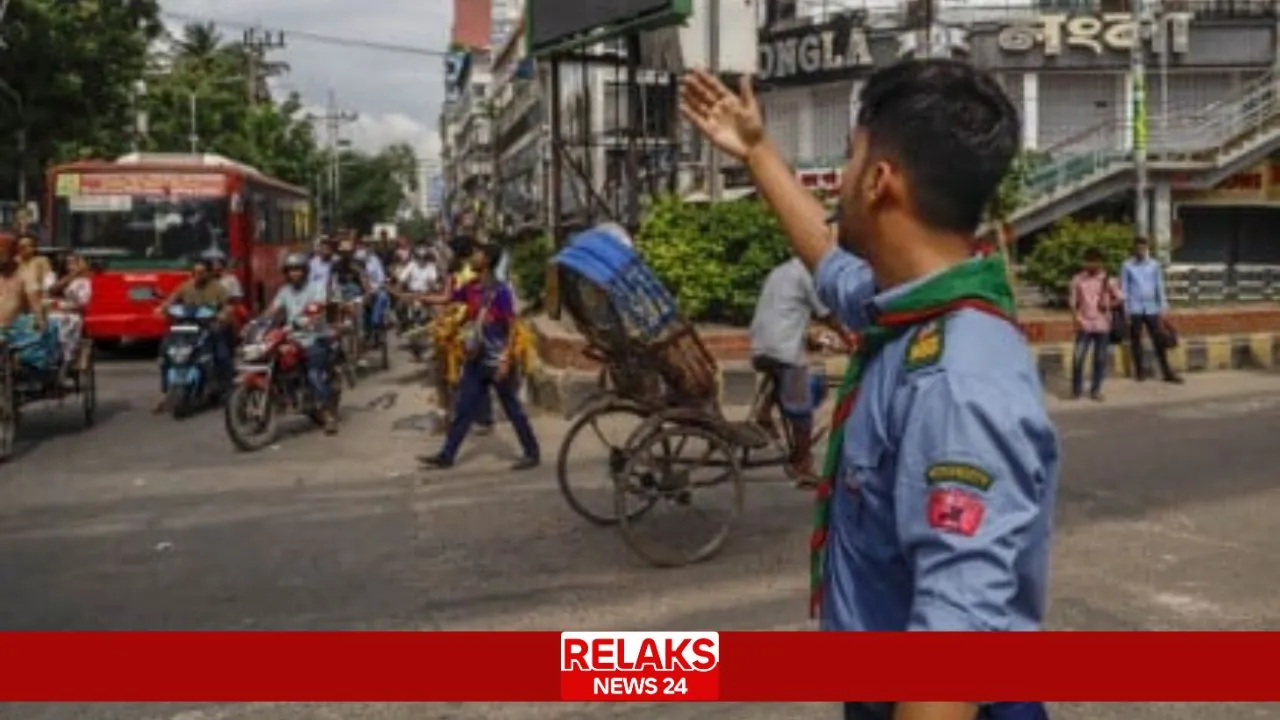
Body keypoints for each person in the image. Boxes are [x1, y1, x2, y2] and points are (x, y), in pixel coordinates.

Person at [680, 60, 1057, 720]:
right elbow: (828, 265)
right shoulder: (904, 310)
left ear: (881, 182)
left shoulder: (958, 381)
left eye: (850, 160)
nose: (841, 180)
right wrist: (757, 151)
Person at [418, 243, 538, 470]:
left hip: (496, 361)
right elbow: (448, 299)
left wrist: (505, 359)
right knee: (464, 409)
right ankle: (447, 455)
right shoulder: (471, 288)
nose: (472, 257)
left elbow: (512, 326)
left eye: (477, 254)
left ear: (487, 261)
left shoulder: (501, 292)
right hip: (476, 359)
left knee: (512, 409)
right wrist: (416, 297)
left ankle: (532, 452)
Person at [750, 256, 853, 483]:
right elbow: (826, 314)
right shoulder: (807, 274)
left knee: (786, 383)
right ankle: (802, 464)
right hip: (783, 350)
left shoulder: (780, 270)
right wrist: (850, 338)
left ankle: (764, 414)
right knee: (802, 412)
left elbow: (789, 312)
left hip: (760, 346)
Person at [270, 252, 339, 434]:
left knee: (313, 374)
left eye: (298, 269)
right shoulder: (284, 291)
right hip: (292, 336)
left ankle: (327, 414)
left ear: (305, 271)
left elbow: (317, 308)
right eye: (291, 270)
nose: (295, 273)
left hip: (315, 336)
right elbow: (274, 309)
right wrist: (258, 322)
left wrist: (309, 318)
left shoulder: (316, 287)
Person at [153, 256, 233, 412]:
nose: (198, 275)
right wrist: (162, 309)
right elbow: (171, 300)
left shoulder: (218, 288)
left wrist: (223, 315)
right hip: (185, 328)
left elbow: (228, 307)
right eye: (195, 272)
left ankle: (225, 388)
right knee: (165, 353)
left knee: (222, 355)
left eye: (202, 272)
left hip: (209, 328)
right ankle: (164, 392)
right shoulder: (185, 287)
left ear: (209, 273)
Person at [1120, 237, 1182, 384]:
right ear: (1134, 249)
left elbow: (1159, 286)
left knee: (1159, 340)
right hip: (1134, 308)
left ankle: (1167, 372)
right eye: (1138, 248)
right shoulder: (1127, 265)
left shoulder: (1154, 265)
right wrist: (1126, 310)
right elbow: (1124, 289)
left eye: (1143, 248)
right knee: (1136, 341)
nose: (1141, 251)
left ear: (1147, 248)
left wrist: (1163, 307)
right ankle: (1140, 372)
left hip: (1151, 308)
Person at [1070, 248, 1122, 401]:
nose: (1089, 264)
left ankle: (1096, 390)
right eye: (1087, 260)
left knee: (1100, 359)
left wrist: (1108, 306)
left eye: (1093, 261)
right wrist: (1075, 319)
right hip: (1084, 324)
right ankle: (1076, 390)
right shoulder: (1077, 279)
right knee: (1078, 358)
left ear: (1100, 262)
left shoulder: (1108, 280)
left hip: (1102, 325)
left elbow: (1120, 298)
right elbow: (1073, 302)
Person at [47, 252, 93, 368]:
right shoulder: (51, 276)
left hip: (71, 315)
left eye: (74, 263)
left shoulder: (83, 281)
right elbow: (51, 290)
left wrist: (66, 306)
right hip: (50, 313)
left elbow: (83, 302)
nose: (70, 266)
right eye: (68, 263)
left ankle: (66, 359)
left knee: (66, 326)